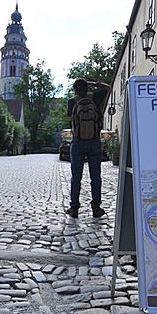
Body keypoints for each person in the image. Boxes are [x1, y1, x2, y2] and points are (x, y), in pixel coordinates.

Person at [65, 78, 111, 218]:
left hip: (77, 142)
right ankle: (96, 208)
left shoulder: (72, 102)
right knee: (95, 176)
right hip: (94, 141)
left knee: (76, 177)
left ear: (75, 89)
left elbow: (70, 117)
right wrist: (96, 84)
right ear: (87, 88)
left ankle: (74, 209)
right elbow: (109, 88)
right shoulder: (95, 97)